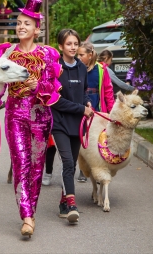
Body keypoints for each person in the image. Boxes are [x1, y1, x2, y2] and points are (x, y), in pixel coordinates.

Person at [0, 0, 62, 237]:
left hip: (41, 115)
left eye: (27, 23)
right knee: (21, 164)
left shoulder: (48, 54)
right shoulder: (6, 53)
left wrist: (37, 87)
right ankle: (27, 216)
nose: (21, 26)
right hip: (15, 114)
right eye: (19, 22)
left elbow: (53, 86)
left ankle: (30, 211)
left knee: (36, 167)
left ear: (37, 29)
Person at [50, 29, 93, 224]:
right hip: (59, 123)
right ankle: (72, 205)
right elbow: (55, 101)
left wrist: (87, 103)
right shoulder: (53, 67)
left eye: (75, 43)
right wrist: (80, 108)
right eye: (69, 44)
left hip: (78, 124)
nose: (73, 47)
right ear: (60, 46)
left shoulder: (83, 68)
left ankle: (63, 202)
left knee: (72, 165)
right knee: (67, 162)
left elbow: (83, 92)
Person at [76, 42, 115, 182]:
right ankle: (82, 169)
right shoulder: (76, 68)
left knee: (96, 140)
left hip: (97, 110)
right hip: (81, 107)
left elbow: (108, 92)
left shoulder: (101, 69)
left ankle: (98, 167)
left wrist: (111, 113)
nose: (78, 57)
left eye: (81, 55)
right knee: (82, 137)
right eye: (77, 54)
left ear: (90, 55)